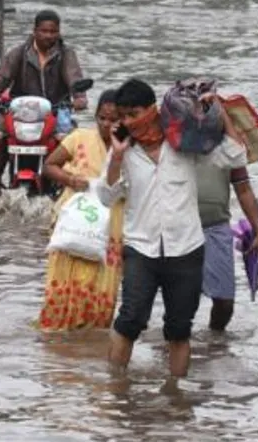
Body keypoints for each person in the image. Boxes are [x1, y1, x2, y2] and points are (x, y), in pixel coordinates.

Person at [96, 79, 249, 378]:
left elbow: (236, 156)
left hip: (186, 249)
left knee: (179, 330)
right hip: (141, 248)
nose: (129, 122)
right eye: (123, 116)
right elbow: (106, 195)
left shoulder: (185, 142)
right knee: (129, 321)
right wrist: (115, 156)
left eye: (134, 113)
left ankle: (176, 398)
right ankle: (115, 393)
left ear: (153, 110)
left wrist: (219, 112)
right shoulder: (124, 151)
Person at [38, 90, 125, 331]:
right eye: (102, 118)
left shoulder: (130, 149)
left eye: (114, 119)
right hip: (74, 220)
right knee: (69, 276)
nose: (107, 125)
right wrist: (70, 179)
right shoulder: (79, 137)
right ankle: (58, 337)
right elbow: (49, 166)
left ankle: (91, 337)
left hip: (111, 224)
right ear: (96, 117)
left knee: (100, 284)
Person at [0, 9, 87, 197]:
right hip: (19, 113)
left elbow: (74, 77)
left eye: (53, 31)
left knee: (70, 141)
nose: (49, 36)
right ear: (35, 31)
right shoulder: (19, 53)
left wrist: (79, 96)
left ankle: (66, 186)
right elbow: (2, 77)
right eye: (44, 31)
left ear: (59, 32)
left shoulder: (66, 54)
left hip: (55, 112)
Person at [196, 145, 258, 332]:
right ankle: (173, 347)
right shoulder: (174, 141)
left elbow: (243, 190)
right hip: (180, 230)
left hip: (217, 228)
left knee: (225, 303)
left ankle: (215, 344)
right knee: (180, 300)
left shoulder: (228, 147)